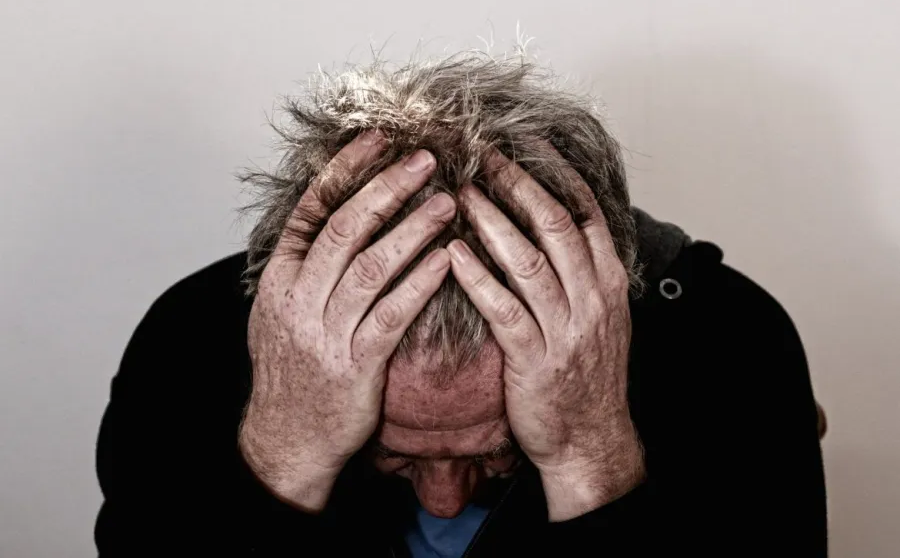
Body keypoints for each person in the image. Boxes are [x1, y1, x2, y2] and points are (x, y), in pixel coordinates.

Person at [94, 52, 827, 557]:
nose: (445, 500)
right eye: (395, 453)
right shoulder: (187, 343)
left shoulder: (735, 345)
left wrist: (589, 459)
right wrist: (283, 459)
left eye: (497, 451)